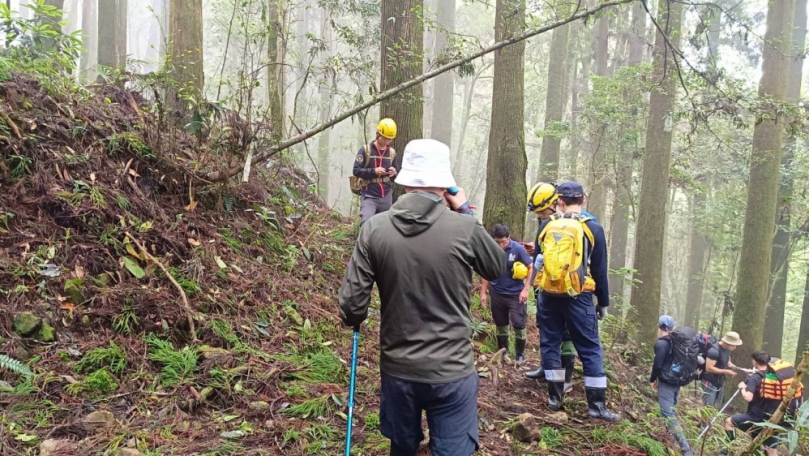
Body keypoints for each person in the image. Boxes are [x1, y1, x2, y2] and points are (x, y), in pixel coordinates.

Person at [339, 138, 505, 456]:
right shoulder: (465, 229)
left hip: (398, 371)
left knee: (402, 448)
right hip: (453, 372)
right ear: (446, 184)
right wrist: (467, 211)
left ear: (402, 180)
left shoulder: (374, 229)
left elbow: (351, 306)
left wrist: (355, 317)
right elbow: (496, 268)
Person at [532, 181, 620, 422]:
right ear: (583, 200)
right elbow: (600, 271)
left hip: (548, 295)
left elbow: (537, 262)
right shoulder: (593, 228)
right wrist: (603, 302)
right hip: (579, 297)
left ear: (558, 201)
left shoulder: (546, 226)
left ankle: (554, 398)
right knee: (590, 349)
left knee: (550, 344)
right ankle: (596, 406)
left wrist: (537, 293)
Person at [523, 182, 577, 392]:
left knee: (566, 333)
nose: (541, 215)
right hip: (544, 284)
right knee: (547, 331)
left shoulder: (574, 223)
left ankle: (565, 379)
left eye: (542, 211)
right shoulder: (546, 222)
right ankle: (548, 371)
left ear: (555, 203)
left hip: (565, 286)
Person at [723, 351, 803, 456]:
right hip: (774, 418)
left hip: (756, 417)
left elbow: (748, 397)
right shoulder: (774, 376)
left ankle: (729, 449)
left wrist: (743, 388)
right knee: (770, 450)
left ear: (754, 362)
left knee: (729, 423)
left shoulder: (755, 378)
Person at [480, 223, 533, 363]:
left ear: (508, 238)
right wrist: (483, 293)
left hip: (516, 293)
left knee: (518, 322)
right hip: (496, 291)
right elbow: (486, 271)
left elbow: (530, 266)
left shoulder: (517, 248)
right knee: (500, 322)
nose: (501, 245)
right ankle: (503, 351)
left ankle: (520, 354)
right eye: (497, 242)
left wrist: (526, 288)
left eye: (503, 242)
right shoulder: (490, 249)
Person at [650, 315, 694, 456]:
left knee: (668, 414)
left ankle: (685, 448)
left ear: (659, 326)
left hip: (667, 382)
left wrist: (652, 379)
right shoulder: (677, 342)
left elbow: (658, 365)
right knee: (672, 410)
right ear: (672, 327)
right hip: (677, 379)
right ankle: (669, 437)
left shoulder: (662, 344)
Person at [353, 118, 398, 224]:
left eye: (390, 139)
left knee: (386, 225)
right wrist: (374, 171)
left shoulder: (391, 153)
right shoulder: (366, 150)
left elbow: (395, 177)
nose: (387, 141)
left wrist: (394, 173)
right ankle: (363, 241)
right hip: (369, 195)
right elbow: (356, 170)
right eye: (385, 138)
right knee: (366, 222)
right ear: (378, 134)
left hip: (386, 195)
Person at [700, 331, 742, 407]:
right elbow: (709, 368)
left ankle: (711, 416)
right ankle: (703, 418)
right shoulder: (714, 351)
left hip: (719, 380)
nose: (735, 348)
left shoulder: (728, 349)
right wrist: (727, 371)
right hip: (709, 380)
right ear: (726, 343)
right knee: (708, 404)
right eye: (733, 345)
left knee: (716, 401)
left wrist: (730, 364)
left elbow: (727, 358)